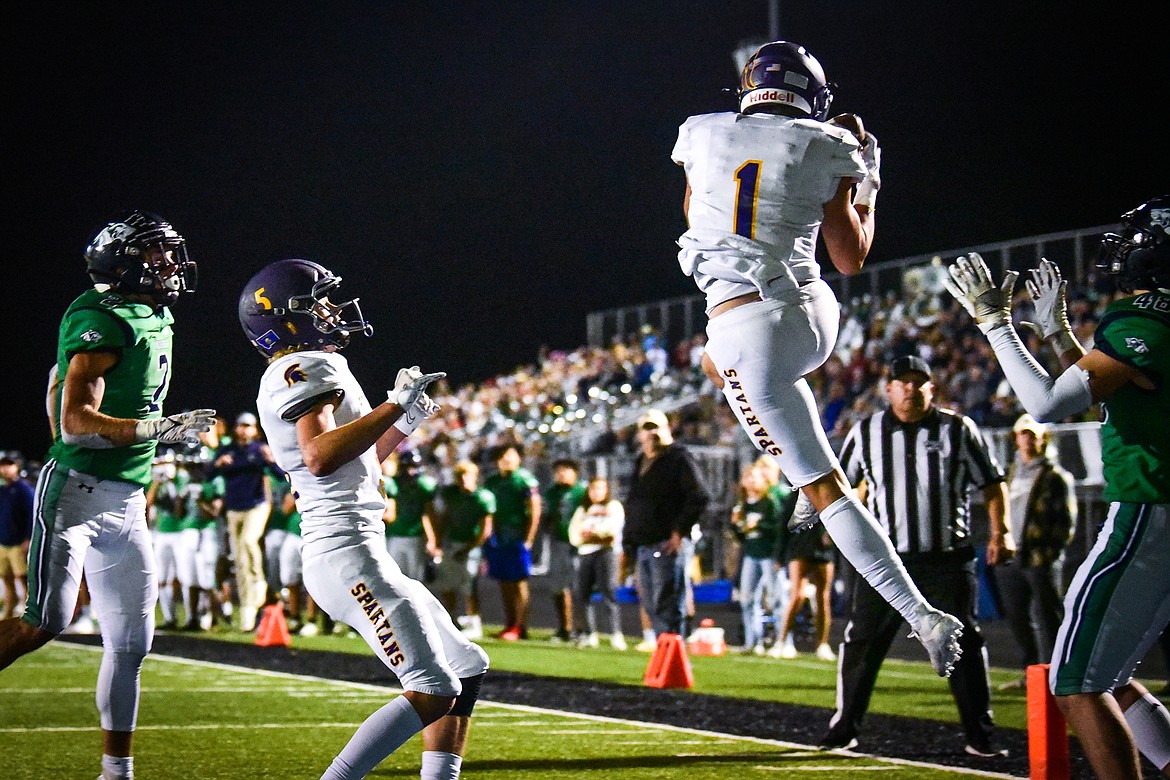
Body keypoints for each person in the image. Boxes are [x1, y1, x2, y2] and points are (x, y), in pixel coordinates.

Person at [670, 39, 964, 677]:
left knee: (820, 481)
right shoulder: (829, 143)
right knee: (745, 385)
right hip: (810, 309)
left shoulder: (700, 133)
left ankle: (922, 615)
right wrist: (869, 182)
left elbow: (697, 211)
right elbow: (851, 258)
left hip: (746, 325)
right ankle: (798, 469)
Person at [943, 195, 1170, 779]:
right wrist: (1060, 337)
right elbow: (1123, 397)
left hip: (1150, 510)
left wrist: (997, 325)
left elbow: (1045, 405)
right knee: (1107, 675)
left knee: (1075, 680)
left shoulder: (1147, 317)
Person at [238, 257, 489, 780]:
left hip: (358, 546)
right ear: (290, 315)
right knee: (433, 686)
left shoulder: (309, 366)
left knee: (466, 666)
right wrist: (392, 406)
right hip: (345, 553)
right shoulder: (304, 367)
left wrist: (404, 420)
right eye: (318, 300)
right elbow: (319, 456)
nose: (331, 308)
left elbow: (358, 461)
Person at [0, 211, 213, 780]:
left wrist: (156, 440)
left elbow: (58, 381)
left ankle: (116, 773)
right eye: (158, 255)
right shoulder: (101, 315)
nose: (170, 264)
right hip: (74, 494)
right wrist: (154, 431)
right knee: (43, 621)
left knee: (131, 643)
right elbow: (74, 423)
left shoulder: (155, 313)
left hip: (128, 500)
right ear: (123, 264)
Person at [819, 355, 1012, 756]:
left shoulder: (958, 429)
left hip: (946, 560)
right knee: (862, 642)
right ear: (887, 389)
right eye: (901, 382)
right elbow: (845, 487)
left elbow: (993, 483)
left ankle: (980, 735)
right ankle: (844, 728)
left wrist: (1002, 531)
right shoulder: (866, 431)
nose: (910, 389)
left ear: (932, 388)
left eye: (918, 382)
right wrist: (848, 534)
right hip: (885, 562)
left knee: (964, 645)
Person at [994, 413, 1076, 691]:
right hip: (1012, 558)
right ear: (1016, 438)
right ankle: (1031, 675)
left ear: (1043, 439)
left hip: (1039, 559)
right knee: (1018, 618)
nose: (1028, 439)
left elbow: (1066, 522)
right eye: (1023, 434)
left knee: (1048, 618)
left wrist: (1050, 554)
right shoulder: (1010, 473)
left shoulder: (1055, 477)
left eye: (1033, 434)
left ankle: (1055, 677)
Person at [623, 408, 708, 640]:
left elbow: (698, 496)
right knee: (651, 605)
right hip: (644, 542)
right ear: (639, 434)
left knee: (668, 604)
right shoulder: (641, 461)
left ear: (668, 428)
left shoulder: (679, 457)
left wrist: (679, 532)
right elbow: (634, 502)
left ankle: (673, 655)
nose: (652, 433)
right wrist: (629, 540)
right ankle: (666, 652)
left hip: (666, 543)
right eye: (647, 428)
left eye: (656, 427)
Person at [212, 411, 275, 632]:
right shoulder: (228, 450)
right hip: (234, 509)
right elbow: (208, 473)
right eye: (241, 425)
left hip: (256, 506)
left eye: (249, 426)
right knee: (239, 562)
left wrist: (272, 460)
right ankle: (248, 612)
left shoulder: (259, 450)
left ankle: (259, 582)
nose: (244, 429)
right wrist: (219, 464)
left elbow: (277, 473)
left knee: (249, 542)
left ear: (255, 429)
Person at [482, 443, 541, 641]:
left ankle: (520, 625)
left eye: (510, 456)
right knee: (504, 582)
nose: (506, 460)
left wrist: (529, 538)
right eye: (502, 457)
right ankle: (509, 623)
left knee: (519, 582)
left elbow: (535, 509)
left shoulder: (524, 480)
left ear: (518, 459)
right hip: (499, 539)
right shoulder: (492, 481)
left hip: (517, 538)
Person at [433, 461, 494, 640]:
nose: (464, 479)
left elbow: (485, 530)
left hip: (471, 545)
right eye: (460, 475)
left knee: (469, 584)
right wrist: (438, 541)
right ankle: (451, 618)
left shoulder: (483, 497)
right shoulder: (450, 494)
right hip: (452, 543)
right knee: (447, 583)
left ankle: (475, 622)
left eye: (468, 475)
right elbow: (444, 517)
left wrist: (469, 548)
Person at [773, 499, 837, 662]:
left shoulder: (825, 489)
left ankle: (822, 644)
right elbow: (784, 525)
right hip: (799, 548)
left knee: (823, 598)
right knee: (797, 596)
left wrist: (830, 536)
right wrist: (779, 555)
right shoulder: (795, 495)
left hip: (823, 552)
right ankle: (781, 641)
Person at [567, 475, 626, 649]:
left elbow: (612, 530)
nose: (596, 492)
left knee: (609, 592)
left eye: (600, 488)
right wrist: (592, 537)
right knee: (582, 594)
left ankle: (615, 634)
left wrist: (594, 535)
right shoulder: (583, 510)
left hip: (606, 553)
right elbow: (574, 534)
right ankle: (589, 633)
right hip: (585, 554)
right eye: (593, 488)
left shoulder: (613, 507)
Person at [729, 465, 783, 654]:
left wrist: (759, 524)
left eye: (755, 477)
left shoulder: (769, 501)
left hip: (768, 555)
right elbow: (740, 536)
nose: (751, 481)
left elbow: (779, 528)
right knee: (747, 599)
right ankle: (753, 641)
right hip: (751, 555)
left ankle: (782, 641)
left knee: (776, 599)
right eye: (748, 477)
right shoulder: (743, 503)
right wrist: (736, 525)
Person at [542, 458, 587, 642]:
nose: (562, 473)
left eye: (566, 470)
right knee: (558, 587)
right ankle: (564, 628)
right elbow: (547, 516)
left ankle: (582, 629)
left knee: (578, 588)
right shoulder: (552, 493)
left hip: (579, 546)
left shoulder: (582, 492)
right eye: (559, 470)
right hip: (558, 542)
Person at [382, 449, 439, 583]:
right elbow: (390, 515)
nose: (410, 471)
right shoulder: (391, 484)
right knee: (394, 579)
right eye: (407, 467)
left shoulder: (424, 485)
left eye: (413, 467)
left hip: (415, 537)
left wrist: (433, 540)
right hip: (394, 536)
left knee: (416, 580)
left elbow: (429, 515)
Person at [263, 468, 306, 633]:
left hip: (312, 534)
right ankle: (295, 618)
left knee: (312, 580)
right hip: (293, 532)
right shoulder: (296, 482)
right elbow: (287, 508)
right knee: (289, 577)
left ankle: (313, 619)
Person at [0, 456, 34, 620]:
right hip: (3, 542)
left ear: (17, 467)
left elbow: (31, 515)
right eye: (2, 466)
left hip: (18, 542)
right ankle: (9, 608)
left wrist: (27, 538)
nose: (5, 469)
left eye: (9, 465)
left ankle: (29, 609)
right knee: (5, 577)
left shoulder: (23, 489)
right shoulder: (2, 489)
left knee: (22, 576)